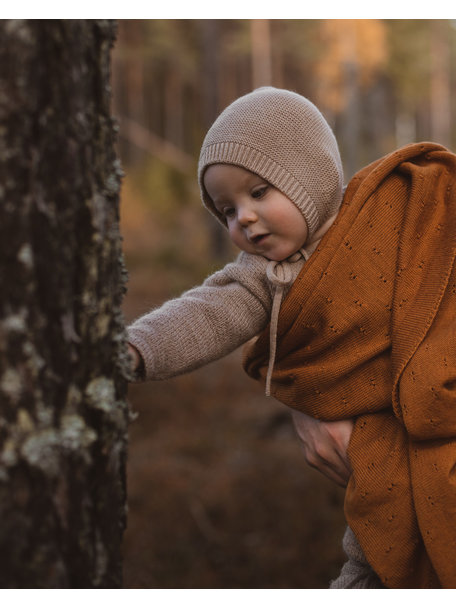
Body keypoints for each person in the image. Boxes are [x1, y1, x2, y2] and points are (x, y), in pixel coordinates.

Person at [126, 87, 456, 588]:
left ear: (310, 176)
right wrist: (133, 347)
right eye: (227, 210)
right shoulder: (267, 276)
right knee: (372, 557)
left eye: (258, 193)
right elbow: (208, 312)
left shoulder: (388, 217)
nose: (245, 219)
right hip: (374, 460)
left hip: (431, 421)